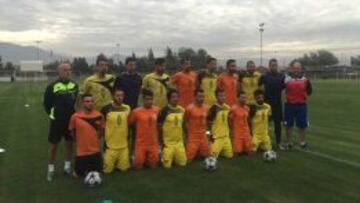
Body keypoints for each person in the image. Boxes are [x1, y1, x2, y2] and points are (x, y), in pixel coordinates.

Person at [43, 63, 78, 182]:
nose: (68, 72)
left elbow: (77, 103)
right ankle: (51, 169)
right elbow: (46, 105)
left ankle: (67, 166)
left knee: (69, 144)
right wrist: (54, 115)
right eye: (65, 70)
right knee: (53, 146)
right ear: (59, 72)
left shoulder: (74, 86)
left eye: (69, 70)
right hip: (57, 122)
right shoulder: (52, 86)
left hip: (71, 121)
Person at [69, 94, 104, 177]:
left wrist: (95, 139)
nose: (90, 103)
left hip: (95, 151)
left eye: (92, 101)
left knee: (98, 174)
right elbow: (72, 132)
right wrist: (79, 141)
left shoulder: (99, 116)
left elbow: (101, 131)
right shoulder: (75, 117)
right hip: (82, 152)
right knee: (77, 175)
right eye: (87, 101)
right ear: (82, 103)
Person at [284, 61, 312, 150]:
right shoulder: (286, 79)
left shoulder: (305, 79)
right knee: (288, 125)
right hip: (289, 105)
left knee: (302, 125)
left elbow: (309, 91)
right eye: (295, 68)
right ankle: (289, 143)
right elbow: (280, 88)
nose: (296, 70)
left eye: (298, 68)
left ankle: (302, 142)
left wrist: (302, 97)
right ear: (292, 69)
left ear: (301, 69)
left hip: (301, 106)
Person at [101, 88, 131, 173]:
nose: (120, 98)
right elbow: (101, 125)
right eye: (117, 95)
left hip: (123, 146)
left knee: (124, 170)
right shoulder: (106, 109)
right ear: (113, 96)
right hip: (110, 146)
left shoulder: (127, 108)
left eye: (122, 95)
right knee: (107, 171)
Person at [129, 89, 160, 170]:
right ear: (143, 100)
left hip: (152, 142)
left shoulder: (157, 110)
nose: (149, 101)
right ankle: (136, 156)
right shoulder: (136, 111)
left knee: (153, 165)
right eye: (147, 99)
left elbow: (159, 124)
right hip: (141, 143)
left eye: (151, 99)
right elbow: (132, 124)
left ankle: (151, 156)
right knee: (138, 166)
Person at [259, 59, 286, 150]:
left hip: (277, 105)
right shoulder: (264, 76)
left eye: (275, 65)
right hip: (267, 105)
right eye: (272, 65)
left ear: (277, 66)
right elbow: (258, 88)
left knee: (278, 125)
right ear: (269, 66)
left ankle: (278, 143)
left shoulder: (281, 76)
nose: (274, 66)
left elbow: (286, 88)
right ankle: (265, 142)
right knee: (265, 124)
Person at [158, 89, 187, 168]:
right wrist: (160, 142)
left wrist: (186, 137)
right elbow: (159, 127)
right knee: (166, 166)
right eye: (173, 97)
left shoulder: (182, 110)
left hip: (179, 143)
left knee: (182, 164)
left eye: (177, 97)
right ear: (168, 99)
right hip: (168, 144)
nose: (176, 99)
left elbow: (184, 125)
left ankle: (175, 155)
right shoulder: (164, 111)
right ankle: (163, 154)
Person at [184, 89, 210, 163]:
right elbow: (185, 122)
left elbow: (207, 124)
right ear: (195, 97)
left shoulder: (206, 108)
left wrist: (208, 135)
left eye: (203, 96)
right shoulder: (189, 108)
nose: (201, 98)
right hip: (193, 137)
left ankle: (199, 151)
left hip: (203, 136)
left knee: (208, 156)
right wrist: (188, 135)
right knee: (188, 160)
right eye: (199, 96)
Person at [207, 89, 233, 158]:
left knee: (230, 155)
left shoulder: (227, 107)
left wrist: (230, 131)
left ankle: (220, 149)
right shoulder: (213, 109)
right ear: (216, 97)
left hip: (226, 137)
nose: (223, 97)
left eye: (224, 95)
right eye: (220, 96)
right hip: (216, 138)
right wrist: (209, 136)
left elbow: (229, 121)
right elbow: (208, 124)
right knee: (212, 156)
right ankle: (212, 146)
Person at [229, 91, 253, 155]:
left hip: (246, 132)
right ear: (238, 98)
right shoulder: (233, 109)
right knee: (237, 152)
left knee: (249, 152)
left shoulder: (247, 108)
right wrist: (232, 131)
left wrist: (250, 131)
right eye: (242, 98)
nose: (244, 99)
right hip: (237, 133)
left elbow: (248, 120)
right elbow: (230, 121)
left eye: (245, 98)